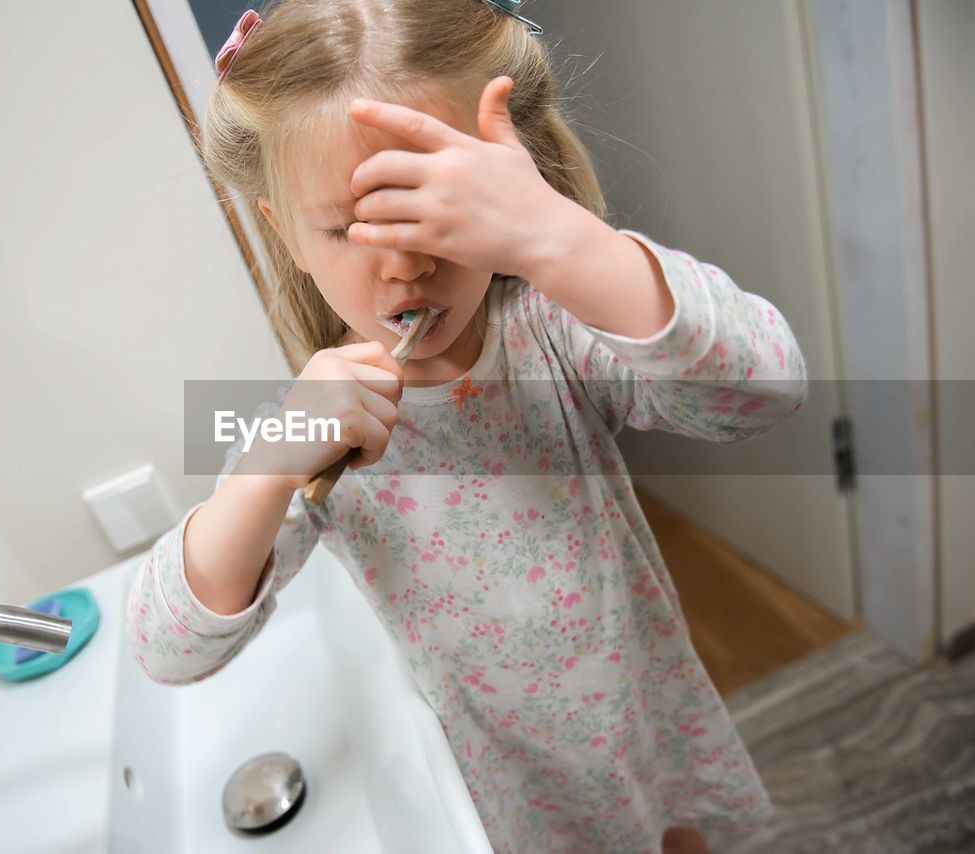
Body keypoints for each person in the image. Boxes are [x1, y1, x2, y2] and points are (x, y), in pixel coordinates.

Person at [127, 1, 807, 850]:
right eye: (347, 227)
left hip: (636, 717)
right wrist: (267, 469)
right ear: (287, 234)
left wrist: (560, 240)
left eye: (437, 211)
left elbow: (767, 390)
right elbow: (165, 649)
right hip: (498, 789)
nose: (405, 263)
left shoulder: (553, 332)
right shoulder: (308, 427)